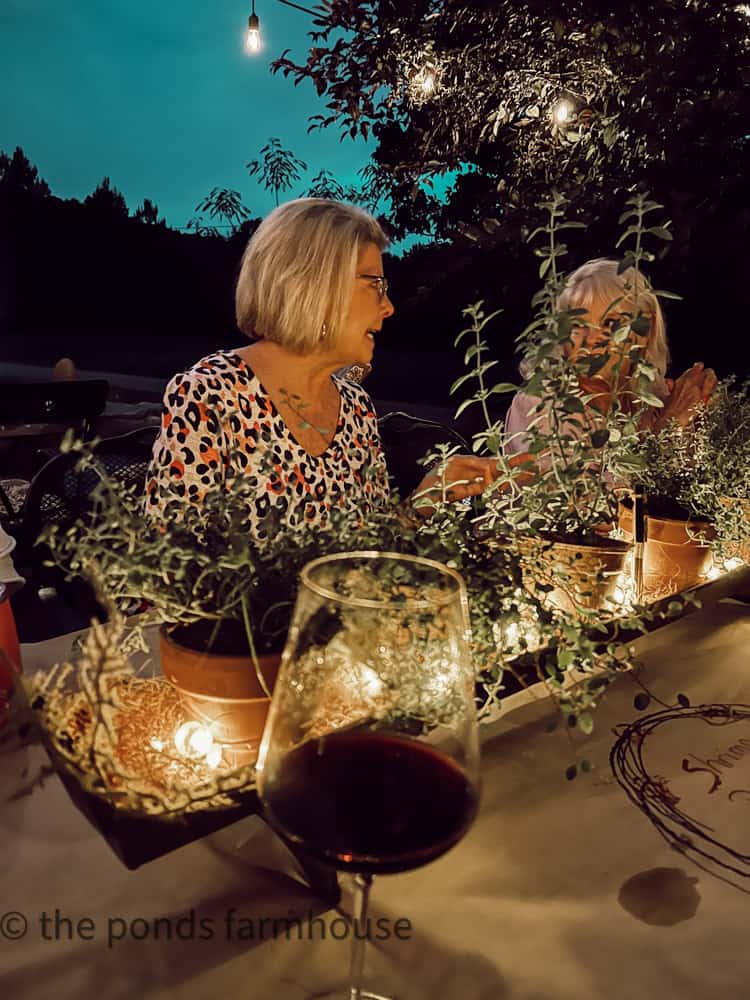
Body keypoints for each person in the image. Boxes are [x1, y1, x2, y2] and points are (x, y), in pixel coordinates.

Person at [145, 199, 496, 541]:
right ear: (319, 286)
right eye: (376, 284)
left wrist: (428, 498)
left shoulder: (356, 408)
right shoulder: (213, 396)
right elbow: (161, 574)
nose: (388, 307)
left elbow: (367, 547)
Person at [505, 258, 717, 457]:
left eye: (610, 324)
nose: (591, 340)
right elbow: (576, 494)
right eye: (577, 325)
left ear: (645, 331)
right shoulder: (541, 404)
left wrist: (704, 414)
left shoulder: (656, 400)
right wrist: (670, 425)